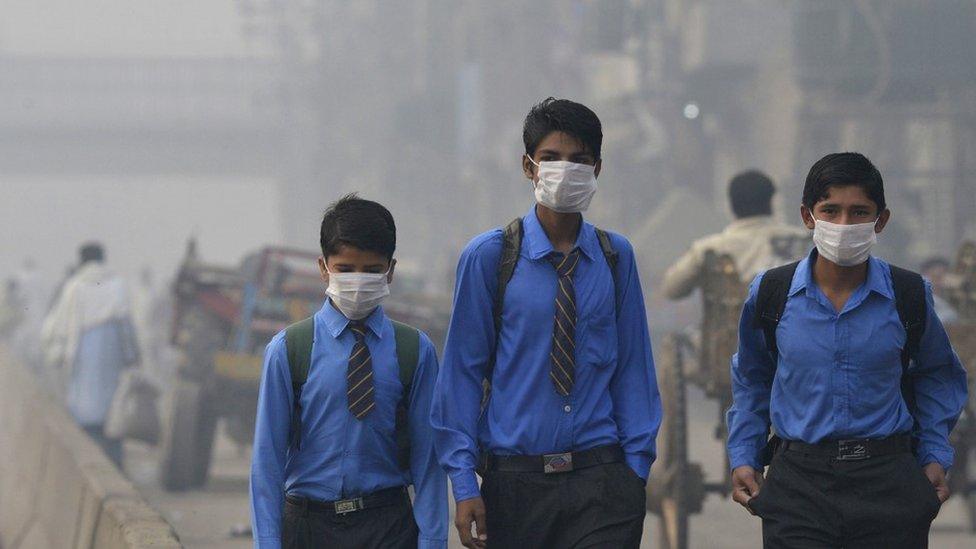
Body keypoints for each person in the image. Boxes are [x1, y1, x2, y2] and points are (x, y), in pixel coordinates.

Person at [431, 98, 661, 549]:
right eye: (551, 159)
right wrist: (463, 483)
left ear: (597, 167)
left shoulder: (616, 259)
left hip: (601, 480)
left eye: (578, 160)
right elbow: (461, 373)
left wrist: (633, 473)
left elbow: (634, 369)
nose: (564, 170)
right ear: (528, 166)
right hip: (516, 482)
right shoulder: (491, 257)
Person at [726, 152, 968, 548]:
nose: (844, 225)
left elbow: (939, 375)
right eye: (831, 210)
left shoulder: (907, 294)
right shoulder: (772, 294)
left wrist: (934, 455)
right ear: (808, 216)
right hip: (799, 482)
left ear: (880, 220)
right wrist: (744, 455)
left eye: (859, 212)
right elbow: (753, 379)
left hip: (888, 481)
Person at [250, 195, 447, 549]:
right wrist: (267, 543)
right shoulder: (288, 351)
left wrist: (433, 540)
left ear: (391, 269)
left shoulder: (415, 351)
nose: (359, 280)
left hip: (387, 524)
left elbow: (428, 460)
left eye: (372, 270)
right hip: (310, 526)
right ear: (324, 268)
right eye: (345, 269)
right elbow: (267, 463)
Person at [40, 243, 140, 466]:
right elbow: (127, 326)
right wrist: (133, 356)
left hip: (83, 350)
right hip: (112, 350)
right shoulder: (118, 285)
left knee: (86, 411)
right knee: (113, 413)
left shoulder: (75, 286)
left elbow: (58, 326)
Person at [662, 170, 809, 300]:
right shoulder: (802, 241)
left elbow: (672, 288)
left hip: (729, 330)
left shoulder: (707, 249)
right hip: (788, 329)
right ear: (771, 201)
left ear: (731, 204)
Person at [920, 256, 959, 324]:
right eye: (934, 276)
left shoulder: (953, 297)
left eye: (940, 276)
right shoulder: (922, 298)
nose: (938, 282)